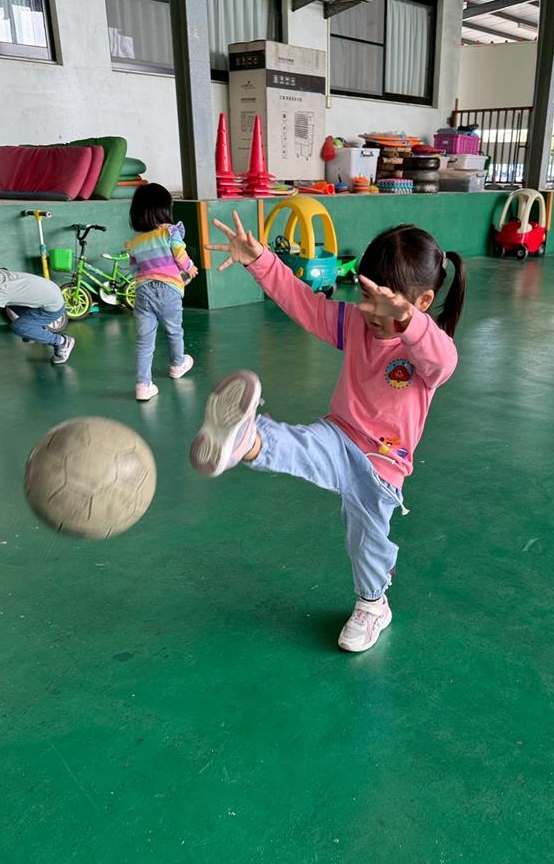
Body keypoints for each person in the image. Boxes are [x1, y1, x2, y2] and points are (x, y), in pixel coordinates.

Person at [191, 214, 465, 653]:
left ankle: (373, 604)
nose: (370, 310)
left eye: (386, 302)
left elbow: (444, 359)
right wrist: (260, 260)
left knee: (366, 543)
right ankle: (249, 438)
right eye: (366, 294)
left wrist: (408, 321)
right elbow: (302, 302)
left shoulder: (429, 353)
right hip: (339, 435)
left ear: (423, 301)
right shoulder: (354, 323)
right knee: (303, 445)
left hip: (383, 466)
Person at [126, 183, 198, 401]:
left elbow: (135, 269)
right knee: (174, 331)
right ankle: (177, 364)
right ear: (164, 209)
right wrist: (189, 268)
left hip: (143, 292)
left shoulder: (135, 242)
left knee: (144, 340)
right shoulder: (170, 231)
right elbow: (179, 253)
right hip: (168, 290)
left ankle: (143, 385)